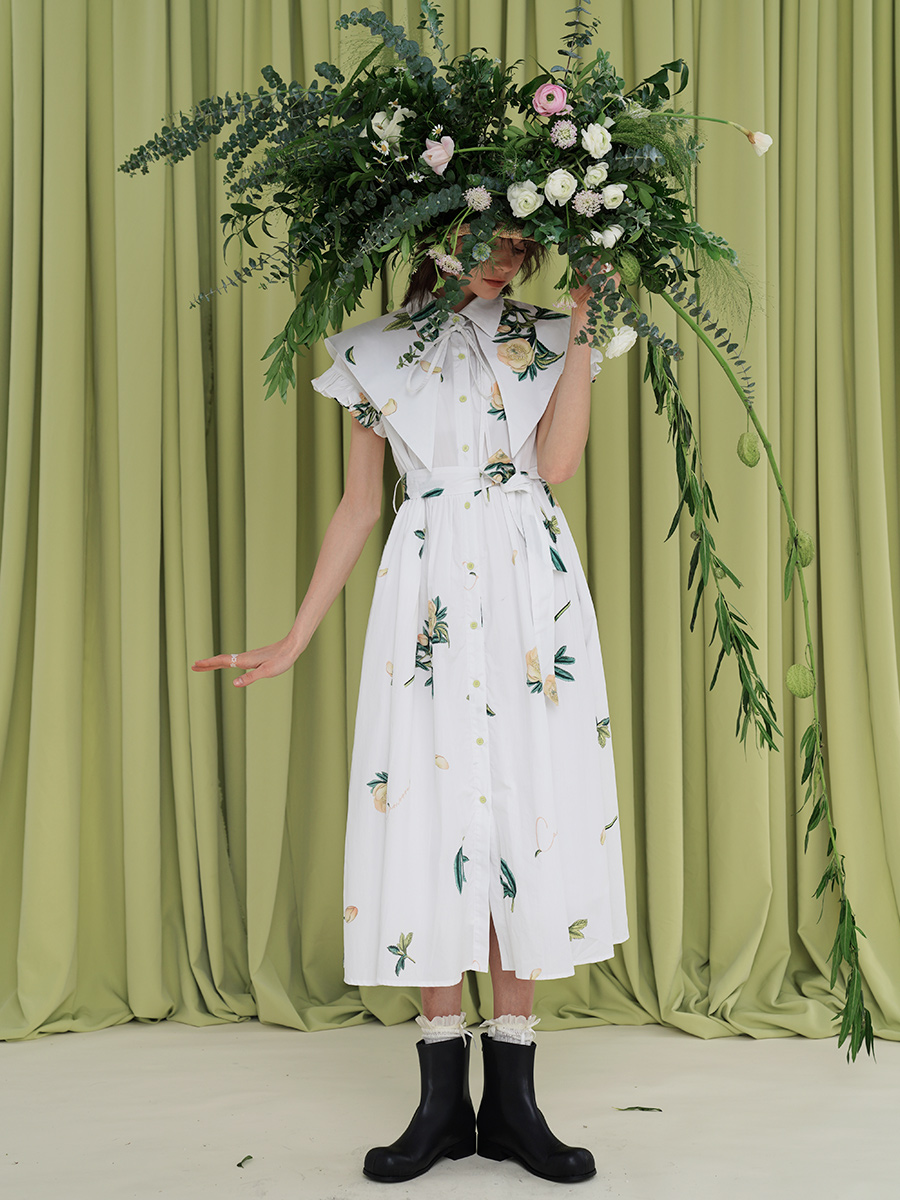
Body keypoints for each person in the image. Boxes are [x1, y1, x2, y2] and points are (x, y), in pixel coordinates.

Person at [192, 232, 628, 1184]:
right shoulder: (374, 351)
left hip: (529, 585)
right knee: (432, 812)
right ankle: (439, 1107)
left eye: (520, 240)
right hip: (426, 587)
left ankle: (513, 1106)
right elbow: (360, 506)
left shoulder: (551, 335)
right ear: (434, 225)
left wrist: (586, 321)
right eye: (486, 236)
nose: (504, 256)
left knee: (521, 810)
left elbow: (557, 465)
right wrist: (294, 637)